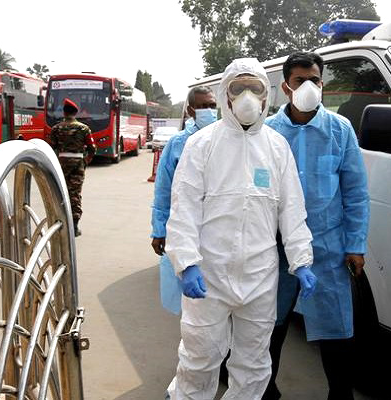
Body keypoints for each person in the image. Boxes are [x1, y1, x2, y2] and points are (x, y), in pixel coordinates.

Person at [165, 58, 316, 400]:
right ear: (226, 94)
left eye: (255, 88)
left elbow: (292, 209)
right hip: (209, 272)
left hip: (260, 275)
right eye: (238, 88)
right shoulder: (202, 144)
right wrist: (187, 262)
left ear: (266, 96)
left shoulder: (277, 147)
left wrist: (301, 261)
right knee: (200, 355)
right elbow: (184, 207)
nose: (247, 96)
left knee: (254, 361)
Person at [263, 51, 370, 400]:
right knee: (271, 323)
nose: (309, 86)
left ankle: (340, 394)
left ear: (323, 84)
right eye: (300, 80)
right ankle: (266, 389)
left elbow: (355, 192)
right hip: (277, 247)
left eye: (315, 80)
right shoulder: (268, 132)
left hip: (327, 246)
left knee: (335, 328)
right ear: (286, 87)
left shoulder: (339, 130)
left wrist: (355, 244)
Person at [150, 86, 218, 315]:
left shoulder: (226, 138)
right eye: (202, 106)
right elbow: (164, 190)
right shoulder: (178, 143)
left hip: (217, 227)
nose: (208, 111)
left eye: (212, 106)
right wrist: (159, 230)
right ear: (190, 111)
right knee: (188, 295)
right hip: (185, 225)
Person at [48, 98, 97, 237]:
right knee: (74, 194)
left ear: (64, 112)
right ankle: (74, 227)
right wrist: (85, 161)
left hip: (61, 164)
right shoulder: (84, 128)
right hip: (78, 163)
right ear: (76, 113)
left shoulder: (56, 128)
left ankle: (60, 224)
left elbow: (51, 147)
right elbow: (92, 148)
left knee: (60, 192)